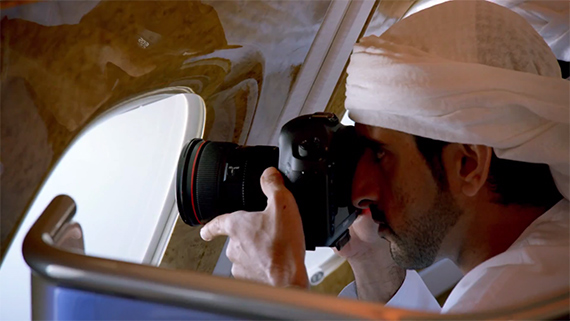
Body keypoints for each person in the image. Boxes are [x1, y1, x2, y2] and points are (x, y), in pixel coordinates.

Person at [200, 1, 569, 313]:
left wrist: (279, 290)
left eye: (379, 154)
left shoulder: (515, 299)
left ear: (467, 164)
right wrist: (373, 260)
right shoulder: (541, 257)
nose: (359, 191)